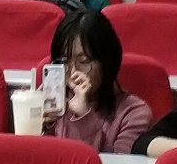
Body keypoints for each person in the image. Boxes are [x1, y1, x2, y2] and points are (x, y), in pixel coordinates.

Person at [43, 10, 151, 153]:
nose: (73, 72)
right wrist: (40, 127)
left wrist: (83, 115)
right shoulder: (54, 97)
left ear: (106, 62)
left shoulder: (134, 112)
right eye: (64, 62)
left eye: (83, 61)